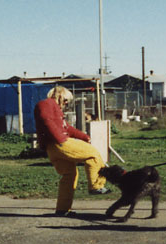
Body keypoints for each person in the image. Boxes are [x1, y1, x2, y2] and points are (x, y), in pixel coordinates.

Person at [34, 86, 111, 217]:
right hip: (59, 143)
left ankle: (62, 209)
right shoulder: (46, 104)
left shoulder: (55, 109)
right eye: (66, 100)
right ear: (60, 95)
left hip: (53, 147)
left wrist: (83, 136)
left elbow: (67, 127)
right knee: (93, 154)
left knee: (69, 175)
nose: (66, 104)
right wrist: (60, 139)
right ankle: (96, 186)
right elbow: (45, 120)